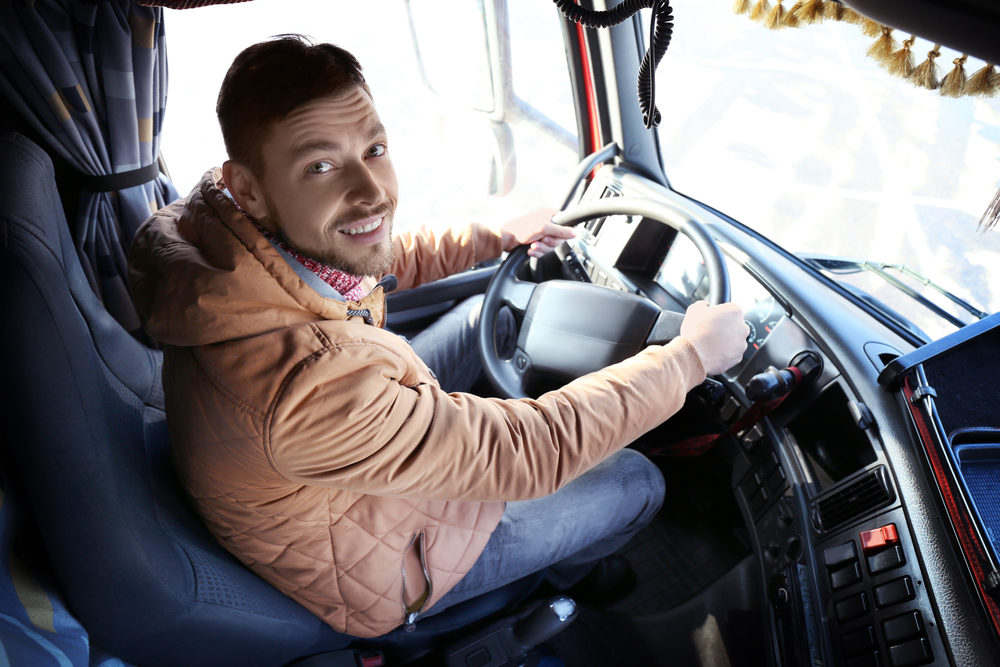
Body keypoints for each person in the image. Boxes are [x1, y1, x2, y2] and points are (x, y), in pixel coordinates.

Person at [128, 35, 750, 639]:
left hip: (332, 479)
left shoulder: (226, 236)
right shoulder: (307, 388)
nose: (373, 192)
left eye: (373, 149)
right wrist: (690, 356)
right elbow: (523, 452)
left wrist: (493, 236)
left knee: (489, 317)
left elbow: (373, 261)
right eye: (320, 165)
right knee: (638, 482)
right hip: (386, 566)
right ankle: (564, 582)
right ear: (250, 188)